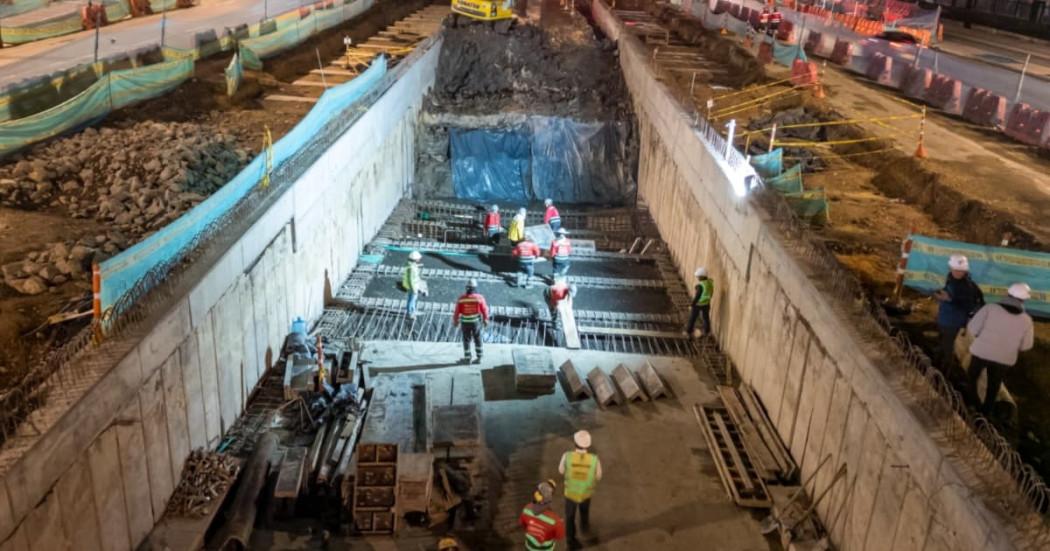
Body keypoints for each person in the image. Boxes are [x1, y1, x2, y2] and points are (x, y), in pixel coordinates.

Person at [966, 282, 1035, 414]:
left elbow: (973, 328)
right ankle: (986, 413)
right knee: (994, 385)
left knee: (972, 376)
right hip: (1004, 358)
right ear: (1024, 300)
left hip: (981, 351)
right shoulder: (1027, 320)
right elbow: (1026, 346)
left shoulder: (990, 308)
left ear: (1007, 294)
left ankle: (972, 403)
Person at [933, 254, 984, 374]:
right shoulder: (951, 279)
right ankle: (935, 364)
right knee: (942, 343)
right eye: (956, 270)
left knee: (947, 348)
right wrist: (942, 298)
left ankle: (942, 375)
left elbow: (969, 306)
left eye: (961, 271)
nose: (958, 273)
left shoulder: (967, 286)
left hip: (953, 322)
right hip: (945, 318)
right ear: (950, 268)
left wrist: (950, 300)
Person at [559, 430, 601, 551]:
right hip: (585, 494)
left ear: (574, 443)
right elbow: (598, 476)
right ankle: (585, 532)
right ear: (588, 445)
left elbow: (561, 471)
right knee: (584, 514)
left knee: (570, 517)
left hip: (571, 494)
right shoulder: (594, 459)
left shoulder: (567, 456)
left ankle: (571, 542)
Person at [519, 480, 566, 551]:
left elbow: (523, 525)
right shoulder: (555, 521)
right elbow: (559, 536)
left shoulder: (526, 509)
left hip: (529, 548)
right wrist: (560, 523)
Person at [453, 279, 490, 364]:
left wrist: (455, 321)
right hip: (475, 322)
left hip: (465, 322)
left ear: (466, 288)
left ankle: (467, 358)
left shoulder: (461, 299)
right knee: (477, 338)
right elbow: (484, 310)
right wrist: (486, 319)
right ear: (475, 288)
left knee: (466, 340)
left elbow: (457, 311)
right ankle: (479, 357)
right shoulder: (479, 298)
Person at [687, 267, 713, 337]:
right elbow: (710, 292)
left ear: (701, 277)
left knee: (692, 318)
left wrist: (692, 305)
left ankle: (688, 331)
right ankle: (707, 331)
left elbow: (697, 296)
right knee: (706, 318)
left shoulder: (700, 286)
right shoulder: (710, 283)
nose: (697, 278)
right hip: (706, 304)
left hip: (698, 304)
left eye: (698, 277)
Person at [403, 250, 425, 320]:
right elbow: (411, 280)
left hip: (410, 286)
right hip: (413, 286)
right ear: (415, 259)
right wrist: (414, 289)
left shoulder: (409, 264)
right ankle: (410, 313)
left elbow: (412, 266)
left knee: (411, 299)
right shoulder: (412, 268)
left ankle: (412, 311)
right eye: (418, 258)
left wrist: (418, 265)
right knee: (412, 300)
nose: (419, 259)